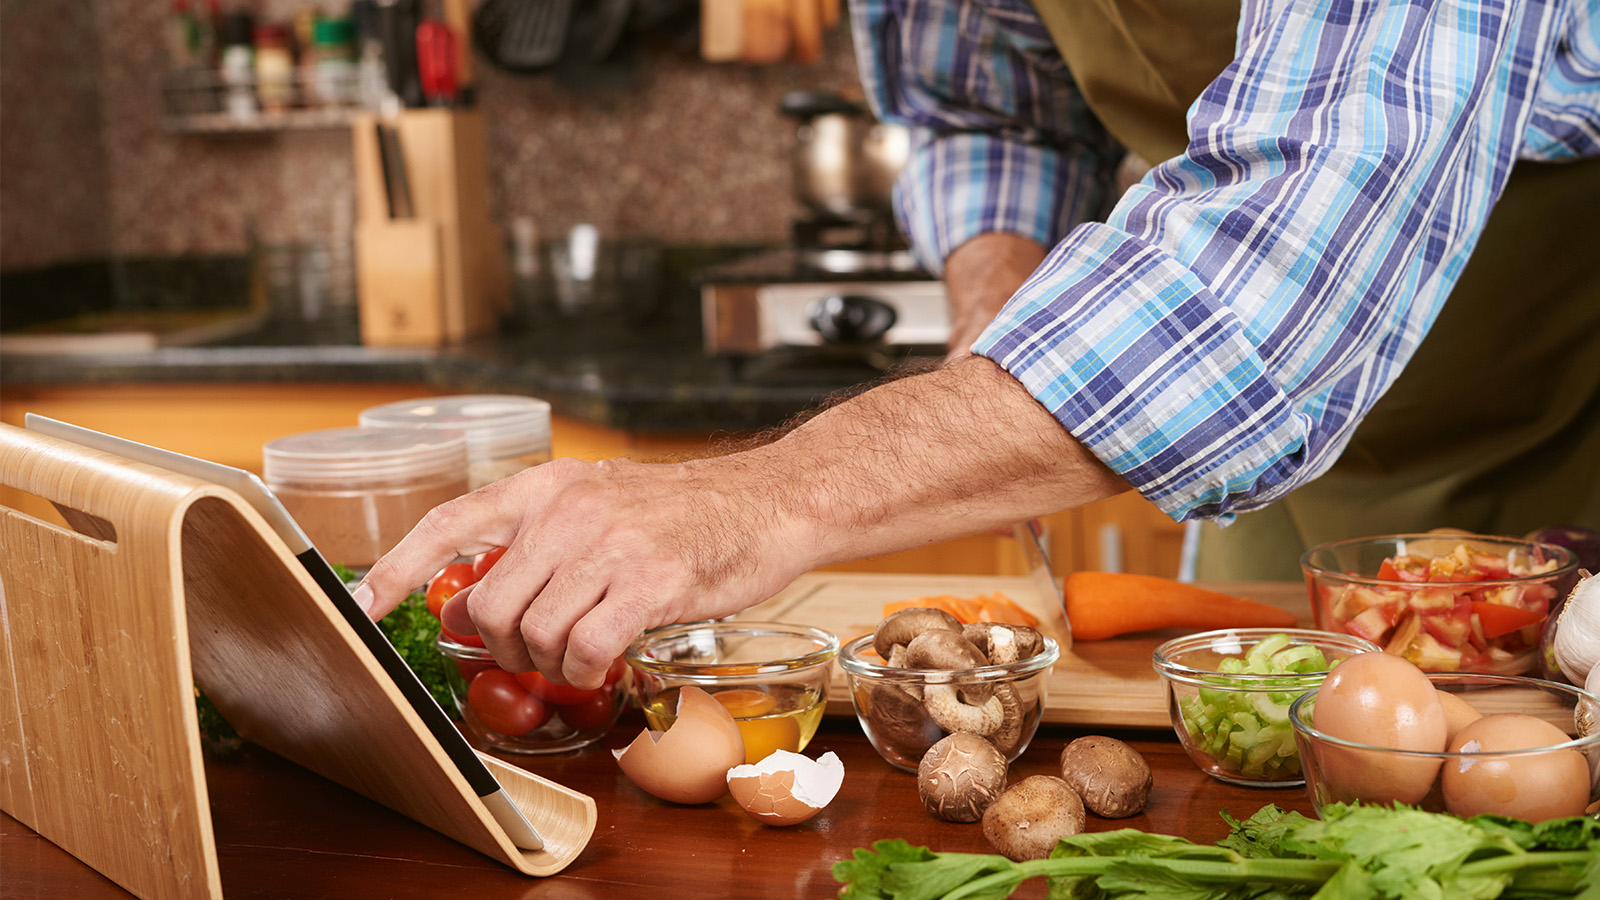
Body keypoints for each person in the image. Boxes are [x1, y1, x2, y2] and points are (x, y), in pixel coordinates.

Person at [355, 0, 1600, 689]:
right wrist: (994, 308)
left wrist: (755, 499)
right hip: (1318, 476)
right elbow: (984, 93)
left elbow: (1281, 260)